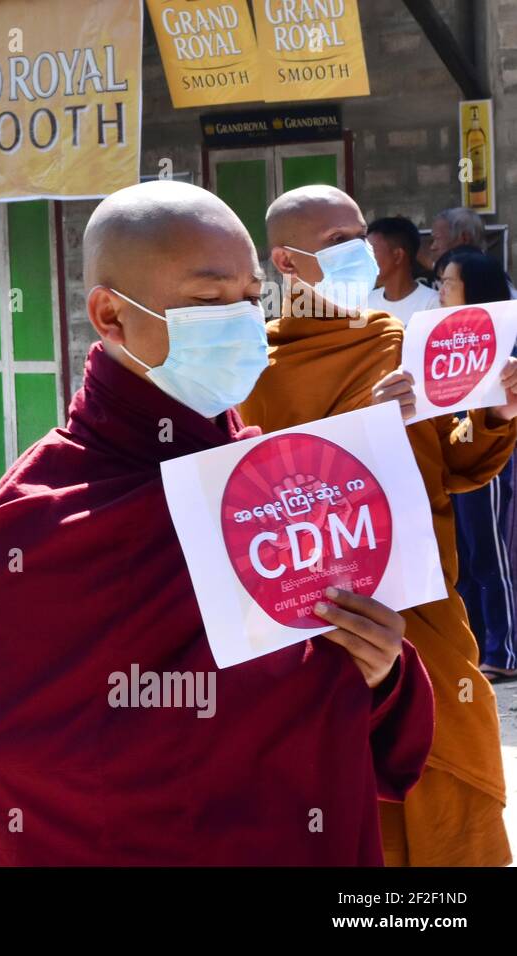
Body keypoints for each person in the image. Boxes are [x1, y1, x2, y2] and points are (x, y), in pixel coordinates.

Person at [0, 181, 434, 865]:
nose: (239, 320)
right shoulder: (37, 521)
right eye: (207, 301)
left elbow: (341, 691)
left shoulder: (272, 485)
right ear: (111, 317)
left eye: (249, 298)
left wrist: (381, 672)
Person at [239, 184, 516, 867]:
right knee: (357, 818)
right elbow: (246, 507)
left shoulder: (403, 344)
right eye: (336, 242)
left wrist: (497, 411)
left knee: (453, 801)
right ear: (287, 261)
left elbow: (461, 462)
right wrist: (358, 432)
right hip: (325, 631)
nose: (358, 253)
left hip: (427, 615)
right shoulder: (253, 373)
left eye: (359, 236)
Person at [438, 250, 517, 683]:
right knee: (464, 557)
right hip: (455, 457)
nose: (442, 291)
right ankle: (477, 644)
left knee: (492, 556)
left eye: (449, 282)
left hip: (492, 461)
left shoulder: (504, 338)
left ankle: (504, 651)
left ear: (475, 287)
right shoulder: (446, 337)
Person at [367, 217, 439, 322]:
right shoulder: (366, 303)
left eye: (371, 251)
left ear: (398, 255)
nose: (365, 259)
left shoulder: (432, 303)